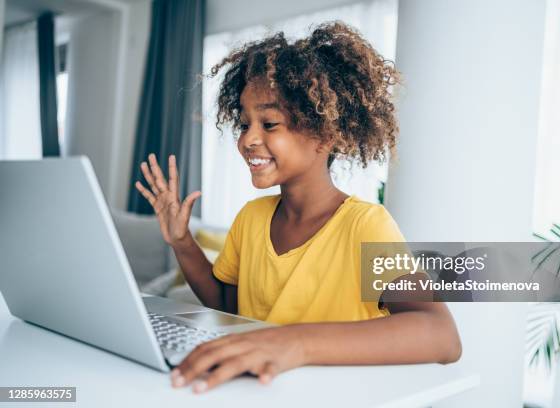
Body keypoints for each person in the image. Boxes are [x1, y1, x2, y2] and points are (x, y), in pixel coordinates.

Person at [135, 22, 461, 394]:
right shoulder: (252, 218)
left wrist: (294, 343)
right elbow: (227, 303)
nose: (247, 139)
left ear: (325, 133)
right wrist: (182, 242)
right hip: (258, 393)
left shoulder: (364, 225)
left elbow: (442, 334)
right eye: (244, 124)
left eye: (269, 123)